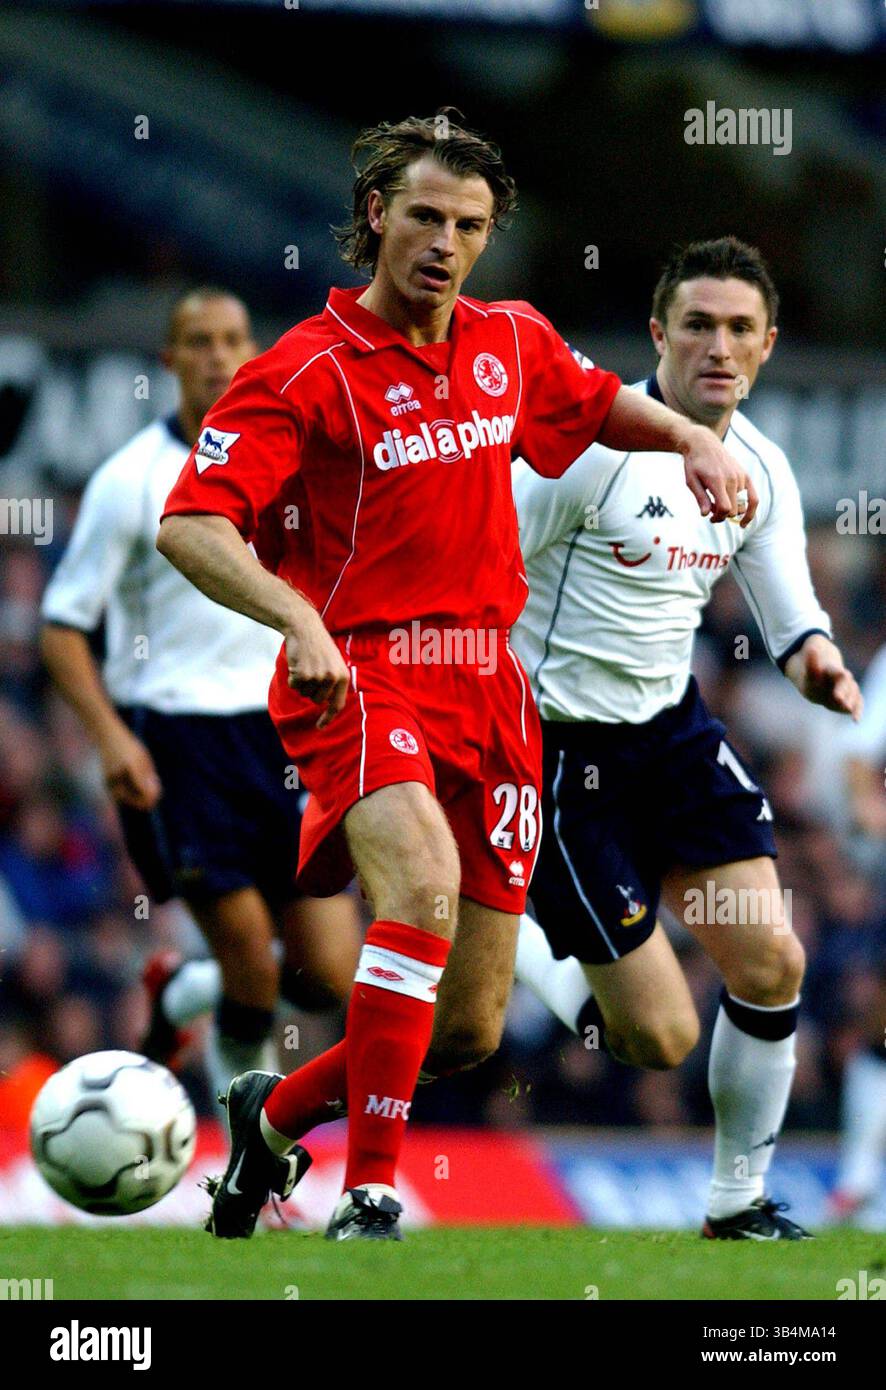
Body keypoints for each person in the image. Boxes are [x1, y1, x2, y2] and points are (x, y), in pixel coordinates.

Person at [157, 116, 754, 1242]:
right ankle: (371, 1191)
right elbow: (190, 524)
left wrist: (691, 439)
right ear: (375, 215)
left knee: (469, 1026)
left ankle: (268, 1119)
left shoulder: (510, 341)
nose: (444, 241)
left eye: (468, 225)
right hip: (363, 676)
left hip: (491, 687)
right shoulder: (303, 370)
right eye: (424, 215)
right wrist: (293, 618)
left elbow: (588, 404)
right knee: (419, 887)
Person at [508, 236, 863, 1239]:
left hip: (669, 737)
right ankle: (526, 950)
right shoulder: (583, 449)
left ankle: (737, 1200)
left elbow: (789, 613)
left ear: (767, 345)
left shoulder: (759, 465)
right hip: (557, 753)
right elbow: (480, 576)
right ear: (659, 333)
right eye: (698, 324)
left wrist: (818, 665)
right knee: (657, 1037)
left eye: (739, 328)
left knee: (769, 966)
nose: (718, 345)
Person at [40, 288, 361, 1106]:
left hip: (284, 736)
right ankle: (241, 1160)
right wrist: (113, 739)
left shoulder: (288, 461)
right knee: (253, 968)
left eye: (231, 340)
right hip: (180, 741)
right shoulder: (131, 481)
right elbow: (63, 626)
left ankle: (184, 992)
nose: (217, 355)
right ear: (170, 360)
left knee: (328, 979)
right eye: (197, 341)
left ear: (253, 353)